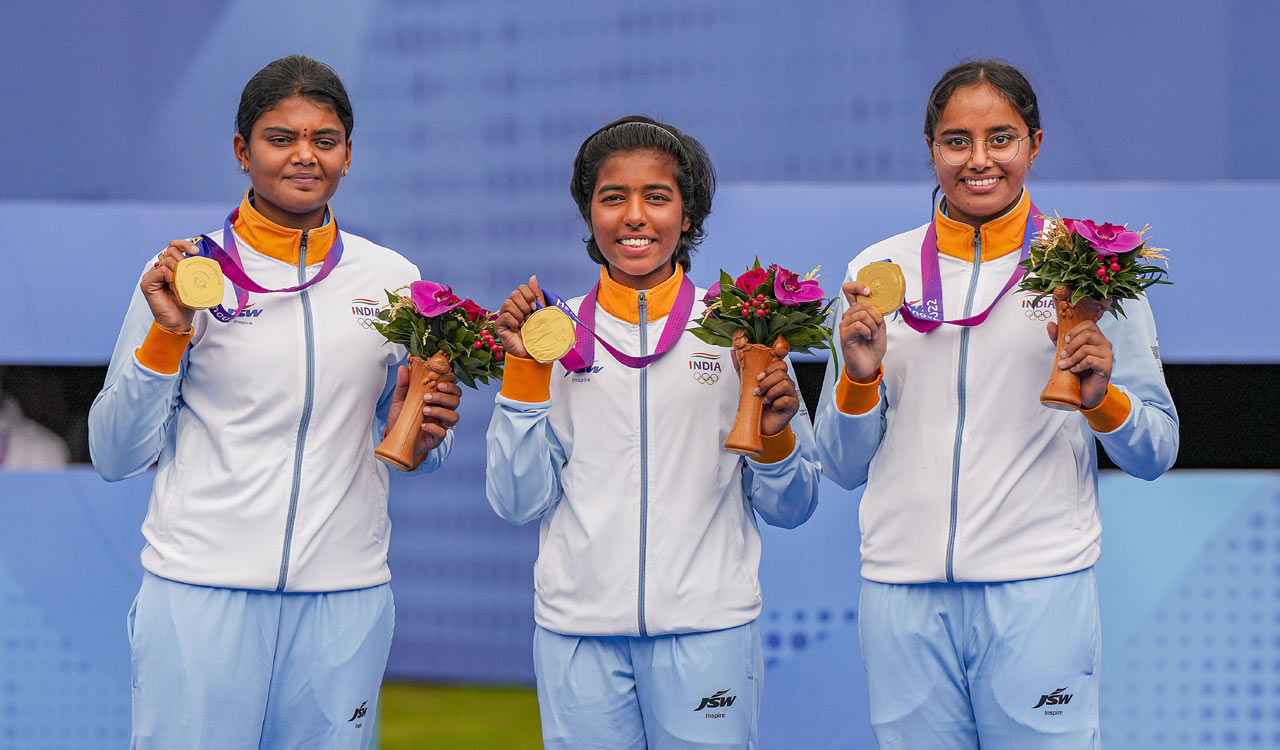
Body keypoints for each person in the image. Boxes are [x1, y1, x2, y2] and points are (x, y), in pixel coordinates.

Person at [88, 55, 461, 749]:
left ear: (348, 154)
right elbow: (114, 454)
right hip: (201, 590)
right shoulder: (185, 276)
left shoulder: (392, 280)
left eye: (325, 140)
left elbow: (414, 446)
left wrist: (429, 433)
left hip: (344, 597)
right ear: (242, 150)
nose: (304, 155)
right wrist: (168, 338)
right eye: (280, 138)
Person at [814, 60, 1178, 749]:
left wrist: (1102, 399)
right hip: (901, 594)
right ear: (931, 149)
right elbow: (839, 464)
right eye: (957, 141)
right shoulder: (873, 274)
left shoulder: (1091, 270)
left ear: (1034, 145)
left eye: (1001, 138)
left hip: (1039, 590)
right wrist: (860, 379)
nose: (979, 160)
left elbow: (1155, 450)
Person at [486, 115, 822, 749]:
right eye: (613, 197)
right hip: (577, 635)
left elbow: (795, 504)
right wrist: (526, 373)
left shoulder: (742, 332)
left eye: (657, 196)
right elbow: (516, 501)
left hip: (708, 631)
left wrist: (775, 439)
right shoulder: (551, 335)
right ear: (589, 214)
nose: (634, 216)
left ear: (687, 215)